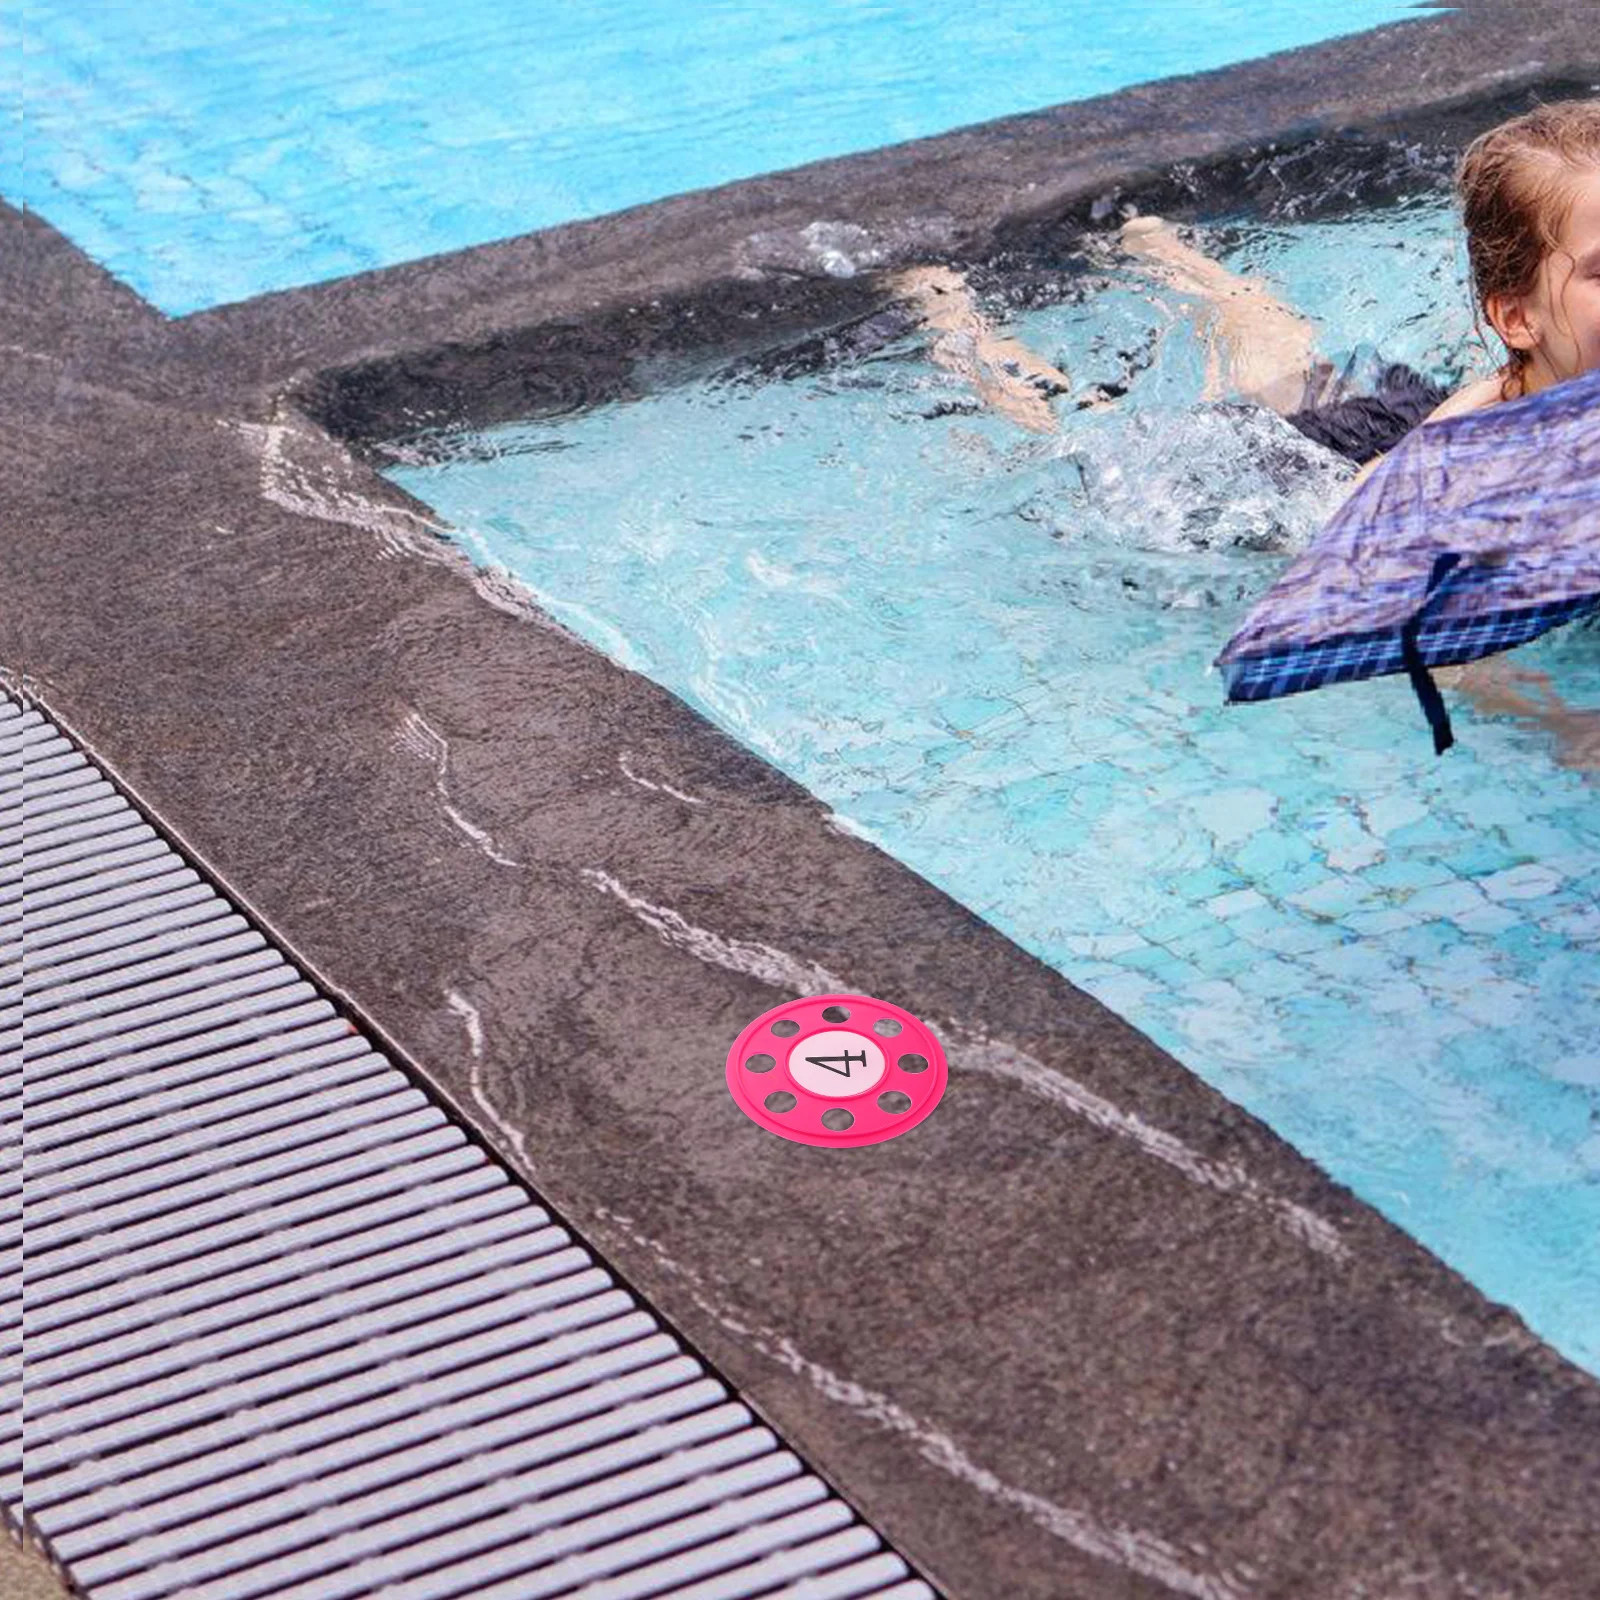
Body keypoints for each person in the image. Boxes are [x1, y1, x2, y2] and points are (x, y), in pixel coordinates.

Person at [885, 96, 1600, 760]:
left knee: (1289, 358)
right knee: (1069, 433)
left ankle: (1158, 246)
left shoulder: (1539, 388)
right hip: (1288, 484)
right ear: (1516, 317)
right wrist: (1561, 727)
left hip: (1402, 416)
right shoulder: (1475, 485)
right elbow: (1424, 639)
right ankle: (952, 313)